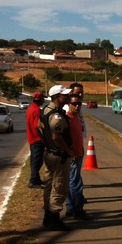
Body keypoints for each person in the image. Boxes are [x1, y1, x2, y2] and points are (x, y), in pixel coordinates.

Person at [39, 85, 76, 231]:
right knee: (59, 186)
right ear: (56, 97)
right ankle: (54, 219)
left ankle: (48, 217)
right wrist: (69, 150)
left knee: (49, 186)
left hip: (50, 152)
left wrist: (46, 142)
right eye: (64, 95)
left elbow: (39, 126)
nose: (66, 97)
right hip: (59, 156)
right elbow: (56, 136)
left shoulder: (46, 111)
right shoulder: (56, 115)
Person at [65, 94, 88, 219]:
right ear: (68, 104)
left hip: (79, 153)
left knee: (71, 182)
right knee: (76, 183)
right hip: (72, 155)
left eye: (79, 103)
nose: (77, 106)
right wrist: (70, 151)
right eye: (74, 104)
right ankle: (77, 210)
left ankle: (70, 207)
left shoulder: (78, 117)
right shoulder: (67, 118)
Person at [26, 91, 46, 189]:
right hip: (36, 139)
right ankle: (34, 181)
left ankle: (36, 179)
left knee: (34, 160)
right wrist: (43, 138)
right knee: (37, 161)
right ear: (41, 100)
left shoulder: (30, 108)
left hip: (31, 138)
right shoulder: (37, 110)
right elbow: (37, 126)